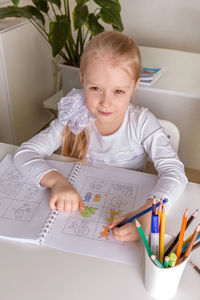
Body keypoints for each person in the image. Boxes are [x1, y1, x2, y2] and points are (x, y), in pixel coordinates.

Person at [13, 31, 187, 242]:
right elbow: (24, 153)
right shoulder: (73, 116)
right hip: (80, 212)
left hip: (126, 208)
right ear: (82, 79)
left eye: (119, 91)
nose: (105, 103)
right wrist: (56, 182)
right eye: (96, 88)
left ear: (135, 86)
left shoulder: (141, 122)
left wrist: (151, 213)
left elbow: (175, 173)